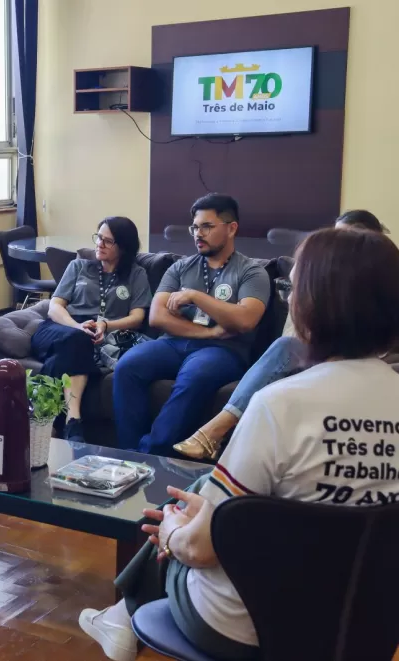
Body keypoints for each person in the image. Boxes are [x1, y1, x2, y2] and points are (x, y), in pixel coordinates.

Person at [78, 227, 399, 661]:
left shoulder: (279, 404)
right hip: (367, 622)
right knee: (207, 491)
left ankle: (122, 615)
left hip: (248, 626)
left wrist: (171, 531)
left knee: (181, 518)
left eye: (293, 288)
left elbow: (200, 549)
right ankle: (123, 612)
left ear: (316, 304)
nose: (289, 300)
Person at [174, 209, 388, 459]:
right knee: (286, 349)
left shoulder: (384, 283)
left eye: (348, 239)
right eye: (335, 238)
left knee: (284, 351)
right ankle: (219, 441)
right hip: (313, 356)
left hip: (364, 362)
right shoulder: (317, 279)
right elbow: (294, 332)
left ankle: (216, 432)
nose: (337, 248)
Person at [113, 194, 270, 455]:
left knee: (196, 375)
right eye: (195, 227)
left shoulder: (251, 272)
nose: (198, 234)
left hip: (225, 351)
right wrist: (210, 332)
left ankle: (151, 453)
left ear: (231, 228)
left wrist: (196, 296)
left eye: (207, 227)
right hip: (173, 343)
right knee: (127, 365)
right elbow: (157, 316)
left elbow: (245, 319)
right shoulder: (180, 268)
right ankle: (127, 455)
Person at [30, 217, 151, 438]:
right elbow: (54, 307)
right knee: (78, 339)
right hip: (60, 326)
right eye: (98, 237)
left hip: (96, 332)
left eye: (108, 241)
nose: (99, 244)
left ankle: (58, 423)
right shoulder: (78, 266)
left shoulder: (136, 274)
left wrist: (106, 325)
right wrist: (76, 326)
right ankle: (72, 418)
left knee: (70, 351)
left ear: (124, 247)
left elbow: (137, 317)